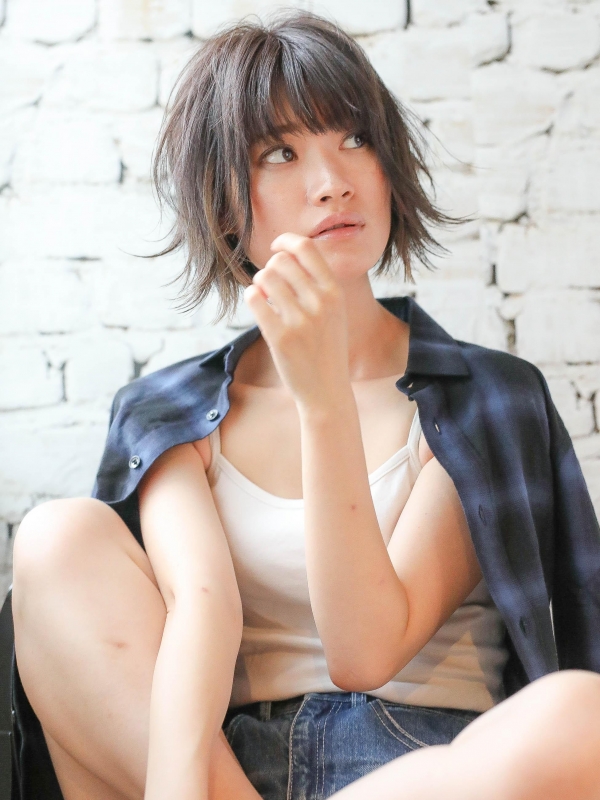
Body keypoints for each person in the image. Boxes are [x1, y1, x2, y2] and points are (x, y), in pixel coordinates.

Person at [9, 9, 600, 800]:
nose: (333, 181)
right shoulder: (170, 413)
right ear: (225, 203)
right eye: (280, 153)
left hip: (421, 770)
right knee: (56, 539)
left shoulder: (484, 399)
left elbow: (367, 649)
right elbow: (201, 610)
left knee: (577, 714)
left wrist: (325, 404)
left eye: (355, 138)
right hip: (228, 772)